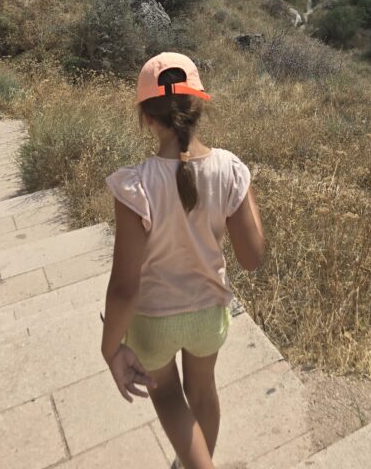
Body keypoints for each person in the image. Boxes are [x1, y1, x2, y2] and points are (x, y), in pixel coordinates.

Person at [101, 53, 265, 469]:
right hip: (208, 317)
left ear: (146, 118)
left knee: (170, 396)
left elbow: (125, 288)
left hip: (153, 323)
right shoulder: (229, 169)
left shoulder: (135, 185)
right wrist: (243, 187)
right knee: (204, 391)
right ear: (199, 107)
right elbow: (251, 257)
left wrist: (111, 348)